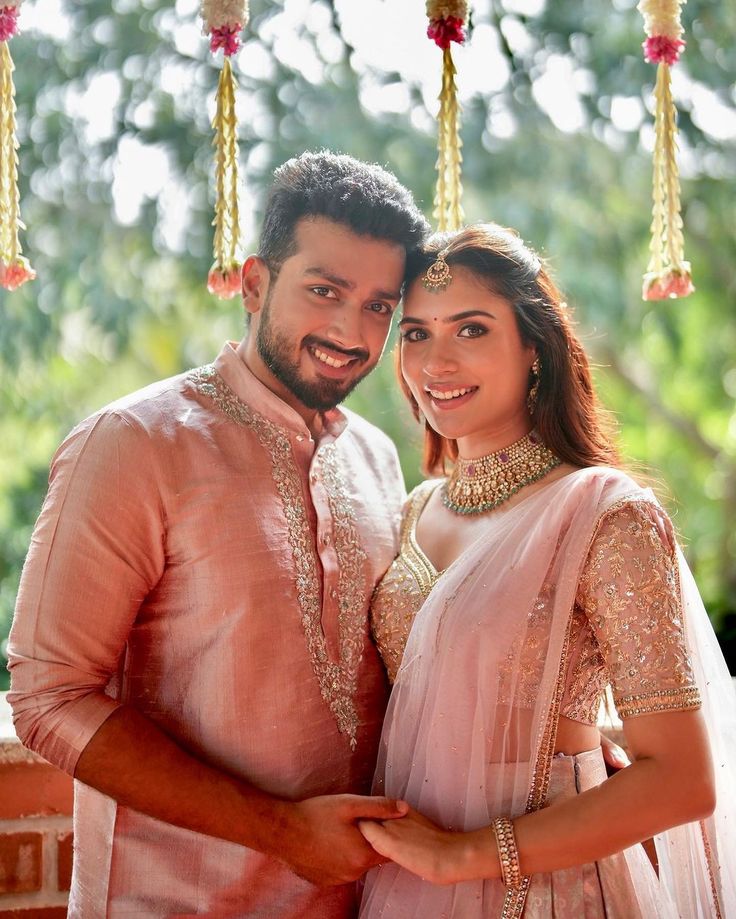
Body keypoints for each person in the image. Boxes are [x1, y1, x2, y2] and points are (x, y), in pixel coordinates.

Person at [7, 151, 430, 918]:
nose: (350, 329)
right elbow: (48, 697)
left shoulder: (375, 455)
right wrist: (280, 830)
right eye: (324, 290)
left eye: (377, 304)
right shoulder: (135, 442)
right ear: (255, 282)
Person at [357, 224, 736, 918]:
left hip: (548, 893)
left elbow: (684, 779)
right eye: (416, 334)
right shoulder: (412, 513)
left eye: (471, 330)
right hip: (405, 884)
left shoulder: (603, 514)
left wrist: (462, 854)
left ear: (535, 348)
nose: (436, 361)